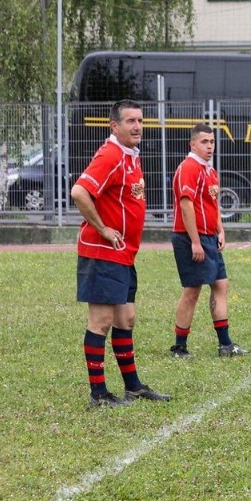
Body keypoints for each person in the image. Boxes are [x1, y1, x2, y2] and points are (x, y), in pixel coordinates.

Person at [72, 99, 170, 408]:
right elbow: (79, 191)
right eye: (130, 121)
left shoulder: (130, 156)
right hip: (103, 252)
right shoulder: (111, 154)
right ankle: (98, 394)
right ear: (115, 126)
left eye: (140, 120)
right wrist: (102, 228)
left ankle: (133, 387)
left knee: (126, 319)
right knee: (100, 321)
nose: (137, 126)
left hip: (123, 255)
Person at [169, 123, 245, 359]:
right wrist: (195, 241)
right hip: (191, 237)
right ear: (193, 144)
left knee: (221, 285)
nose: (210, 146)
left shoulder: (210, 171)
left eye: (212, 142)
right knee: (192, 290)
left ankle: (225, 344)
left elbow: (212, 205)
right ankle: (179, 347)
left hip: (209, 237)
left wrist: (220, 229)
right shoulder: (189, 168)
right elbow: (185, 203)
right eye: (204, 142)